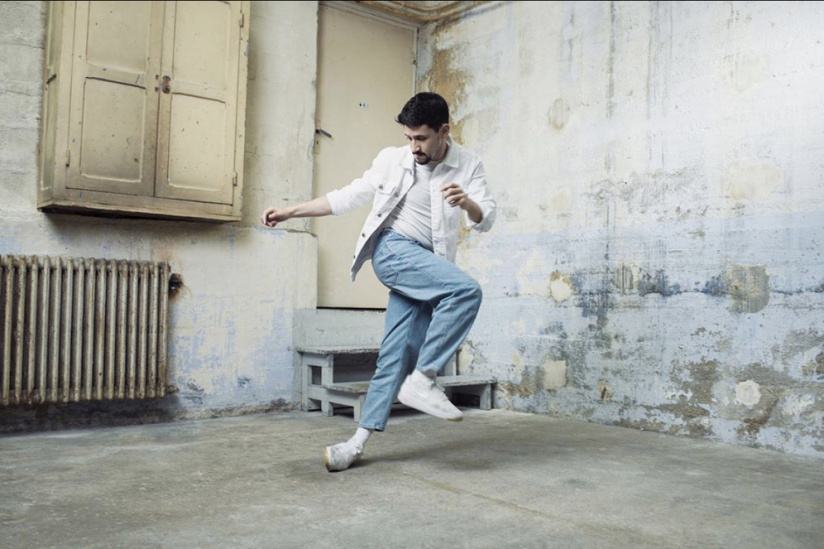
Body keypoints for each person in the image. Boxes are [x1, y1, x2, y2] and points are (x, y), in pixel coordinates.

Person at [261, 92, 496, 472]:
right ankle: (425, 378)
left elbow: (486, 217)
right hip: (393, 250)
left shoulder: (467, 164)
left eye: (421, 138)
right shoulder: (393, 159)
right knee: (466, 290)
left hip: (427, 265)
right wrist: (291, 211)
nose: (413, 147)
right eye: (408, 137)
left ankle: (354, 444)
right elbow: (348, 196)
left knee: (396, 354)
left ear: (443, 131)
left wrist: (467, 203)